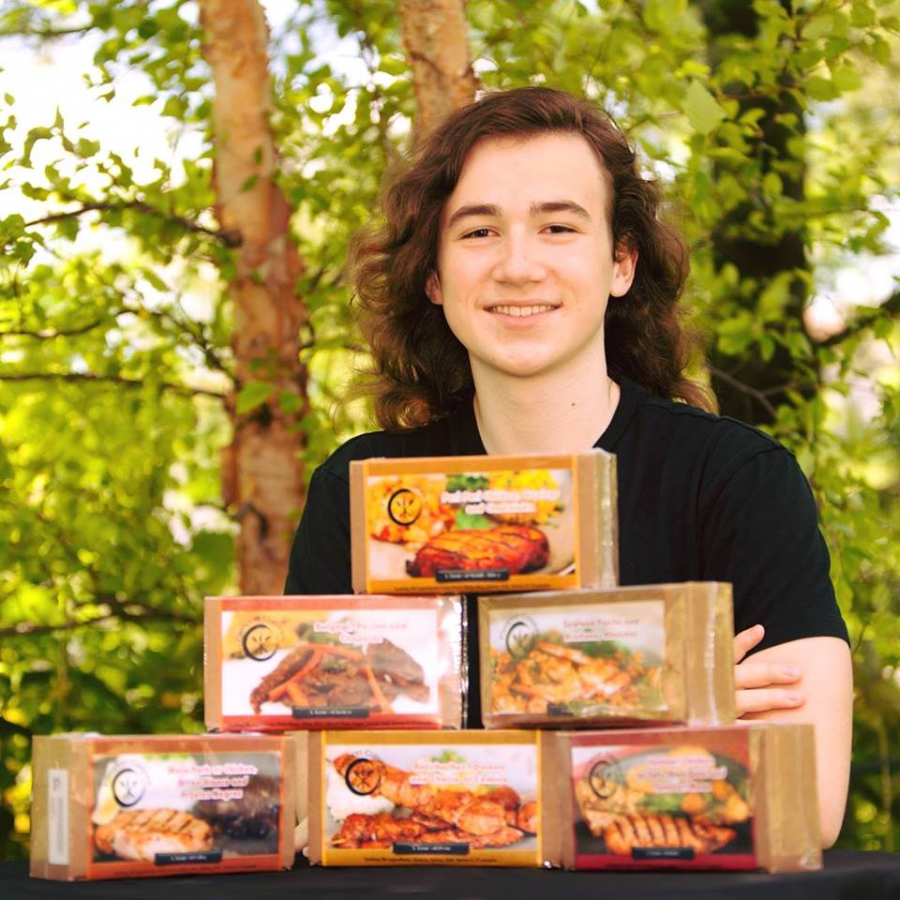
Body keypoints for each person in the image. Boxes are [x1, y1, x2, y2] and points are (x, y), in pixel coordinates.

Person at [284, 87, 852, 846]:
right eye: (479, 231)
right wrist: (670, 710)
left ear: (621, 262)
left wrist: (450, 780)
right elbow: (302, 802)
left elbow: (805, 805)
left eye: (557, 226)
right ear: (434, 276)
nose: (519, 265)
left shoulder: (737, 481)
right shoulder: (359, 493)